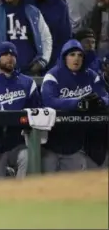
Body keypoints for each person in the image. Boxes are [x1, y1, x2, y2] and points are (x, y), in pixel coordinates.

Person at [41, 39, 109, 173]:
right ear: (64, 57)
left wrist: (101, 102)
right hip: (51, 144)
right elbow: (49, 101)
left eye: (80, 55)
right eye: (72, 55)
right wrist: (78, 102)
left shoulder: (91, 76)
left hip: (76, 146)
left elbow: (106, 97)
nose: (76, 59)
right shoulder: (52, 75)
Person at [0, 42, 41, 179]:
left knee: (27, 156)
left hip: (18, 141)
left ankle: (21, 196)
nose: (10, 57)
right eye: (5, 54)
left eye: (13, 55)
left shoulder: (27, 82)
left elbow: (37, 110)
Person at [25, 0, 72, 71]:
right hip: (27, 59)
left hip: (52, 60)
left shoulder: (60, 6)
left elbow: (65, 37)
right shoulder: (25, 2)